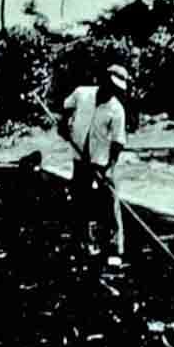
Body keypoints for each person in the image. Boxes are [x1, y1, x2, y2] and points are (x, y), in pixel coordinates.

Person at [59, 64, 129, 257]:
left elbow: (118, 142)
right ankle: (82, 241)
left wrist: (110, 168)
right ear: (103, 79)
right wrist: (64, 124)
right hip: (79, 157)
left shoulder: (117, 110)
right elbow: (66, 107)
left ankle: (115, 246)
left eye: (116, 88)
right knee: (79, 199)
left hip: (101, 162)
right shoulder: (82, 93)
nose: (111, 90)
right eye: (110, 84)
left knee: (109, 201)